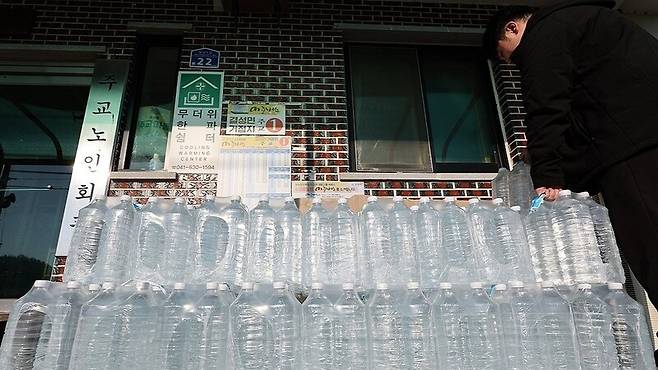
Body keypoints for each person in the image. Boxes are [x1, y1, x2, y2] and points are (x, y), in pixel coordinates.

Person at [483, 0, 658, 309]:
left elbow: (547, 106)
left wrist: (548, 173)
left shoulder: (543, 35)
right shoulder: (586, 21)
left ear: (512, 28)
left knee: (648, 242)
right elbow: (584, 101)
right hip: (643, 133)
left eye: (504, 54)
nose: (510, 63)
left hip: (631, 148)